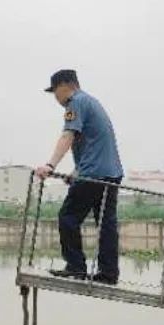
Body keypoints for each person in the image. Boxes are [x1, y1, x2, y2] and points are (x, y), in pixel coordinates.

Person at [34, 69, 124, 285]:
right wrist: (76, 173)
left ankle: (75, 267)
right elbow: (94, 144)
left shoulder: (75, 102)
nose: (55, 97)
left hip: (93, 174)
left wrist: (50, 165)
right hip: (111, 173)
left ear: (65, 86)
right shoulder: (91, 102)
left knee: (68, 217)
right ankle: (109, 273)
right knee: (106, 225)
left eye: (55, 91)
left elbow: (68, 135)